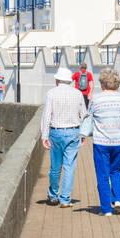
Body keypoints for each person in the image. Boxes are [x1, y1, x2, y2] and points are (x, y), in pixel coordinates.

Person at [41, 66, 86, 208]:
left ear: (58, 80)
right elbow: (83, 115)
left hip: (56, 132)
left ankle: (53, 194)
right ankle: (65, 199)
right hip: (74, 132)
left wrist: (44, 135)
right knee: (69, 167)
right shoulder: (78, 94)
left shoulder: (51, 93)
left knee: (55, 166)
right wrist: (83, 134)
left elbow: (47, 116)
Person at [89, 69, 120, 215]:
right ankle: (118, 199)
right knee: (116, 171)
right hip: (119, 141)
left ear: (102, 83)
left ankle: (106, 209)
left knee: (103, 175)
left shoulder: (96, 98)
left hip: (101, 142)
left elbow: (89, 116)